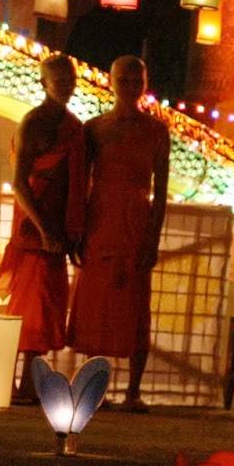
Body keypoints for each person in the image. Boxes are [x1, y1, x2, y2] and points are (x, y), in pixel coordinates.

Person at [67, 56, 170, 412]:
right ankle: (93, 387)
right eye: (123, 80)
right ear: (111, 82)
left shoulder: (157, 130)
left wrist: (154, 238)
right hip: (100, 218)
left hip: (136, 220)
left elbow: (161, 191)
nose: (129, 87)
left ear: (145, 84)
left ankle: (133, 390)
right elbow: (80, 183)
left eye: (136, 81)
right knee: (97, 304)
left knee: (135, 305)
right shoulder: (94, 128)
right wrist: (76, 230)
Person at [0, 54, 85, 404]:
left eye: (70, 80)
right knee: (31, 307)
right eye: (58, 80)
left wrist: (70, 228)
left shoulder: (74, 126)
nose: (66, 86)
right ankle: (21, 384)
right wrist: (44, 228)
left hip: (58, 224)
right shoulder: (32, 124)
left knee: (48, 305)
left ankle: (30, 384)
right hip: (36, 227)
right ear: (43, 84)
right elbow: (20, 184)